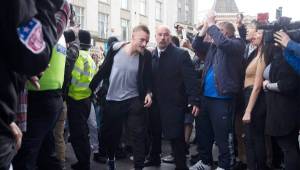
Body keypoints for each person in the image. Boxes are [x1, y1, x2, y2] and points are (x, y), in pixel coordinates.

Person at [0, 1, 70, 169]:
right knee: (32, 153)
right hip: (42, 98)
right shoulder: (46, 15)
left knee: (36, 151)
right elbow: (35, 57)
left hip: (44, 98)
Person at [89, 25, 153, 170]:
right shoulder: (115, 49)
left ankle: (139, 166)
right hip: (113, 100)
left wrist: (149, 93)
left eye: (147, 41)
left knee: (138, 134)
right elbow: (103, 70)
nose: (144, 44)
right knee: (113, 135)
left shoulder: (146, 56)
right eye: (142, 40)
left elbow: (148, 78)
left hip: (134, 99)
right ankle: (111, 160)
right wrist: (90, 90)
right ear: (132, 37)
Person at [191, 11, 245, 170]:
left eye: (218, 30)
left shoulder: (237, 44)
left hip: (223, 98)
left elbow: (224, 44)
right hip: (206, 98)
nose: (213, 33)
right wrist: (205, 27)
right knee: (204, 133)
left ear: (226, 33)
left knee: (223, 135)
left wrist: (212, 24)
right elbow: (196, 45)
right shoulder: (213, 47)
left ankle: (225, 164)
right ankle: (206, 162)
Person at [146, 25, 200, 170]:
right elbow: (148, 79)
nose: (163, 37)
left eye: (166, 35)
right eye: (160, 35)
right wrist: (148, 91)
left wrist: (194, 100)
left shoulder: (180, 54)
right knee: (154, 132)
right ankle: (154, 158)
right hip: (155, 103)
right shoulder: (151, 55)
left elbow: (191, 79)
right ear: (155, 37)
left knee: (176, 137)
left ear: (169, 37)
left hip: (174, 103)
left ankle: (181, 165)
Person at [67, 30, 96, 170]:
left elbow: (73, 78)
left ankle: (83, 163)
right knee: (83, 133)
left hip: (76, 99)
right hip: (86, 99)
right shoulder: (90, 59)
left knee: (78, 135)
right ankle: (84, 161)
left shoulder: (79, 57)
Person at [242, 29, 268, 170]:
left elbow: (257, 85)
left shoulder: (263, 55)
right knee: (250, 138)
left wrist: (248, 110)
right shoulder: (256, 53)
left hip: (255, 98)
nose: (255, 34)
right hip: (249, 96)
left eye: (258, 32)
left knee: (254, 138)